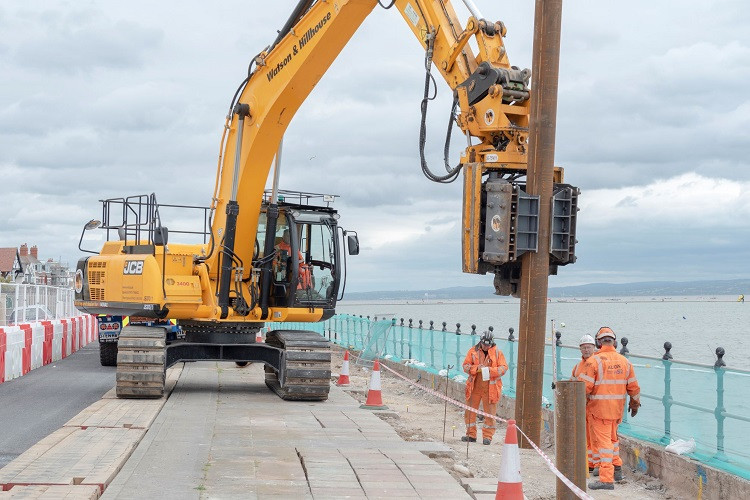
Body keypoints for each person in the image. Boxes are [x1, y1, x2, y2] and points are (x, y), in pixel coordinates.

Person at [578, 327, 641, 491]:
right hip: (616, 411)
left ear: (598, 343)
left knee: (604, 444)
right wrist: (634, 404)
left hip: (599, 411)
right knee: (613, 441)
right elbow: (634, 387)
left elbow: (583, 388)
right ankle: (617, 469)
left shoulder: (594, 361)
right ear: (615, 342)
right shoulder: (625, 362)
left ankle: (606, 479)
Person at [461, 331, 508, 445]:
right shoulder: (473, 351)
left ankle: (488, 437)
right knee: (470, 412)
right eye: (484, 344)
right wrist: (477, 368)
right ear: (481, 342)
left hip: (490, 389)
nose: (486, 346)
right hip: (475, 387)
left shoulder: (497, 353)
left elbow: (503, 368)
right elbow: (465, 366)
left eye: (488, 344)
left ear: (491, 343)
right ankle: (471, 435)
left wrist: (489, 370)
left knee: (490, 413)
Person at [571, 334, 597, 474]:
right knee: (585, 435)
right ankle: (589, 463)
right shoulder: (578, 366)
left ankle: (593, 463)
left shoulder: (596, 363)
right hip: (582, 405)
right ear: (580, 349)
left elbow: (590, 386)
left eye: (588, 347)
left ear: (594, 347)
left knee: (594, 436)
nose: (586, 350)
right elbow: (572, 381)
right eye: (584, 347)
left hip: (594, 405)